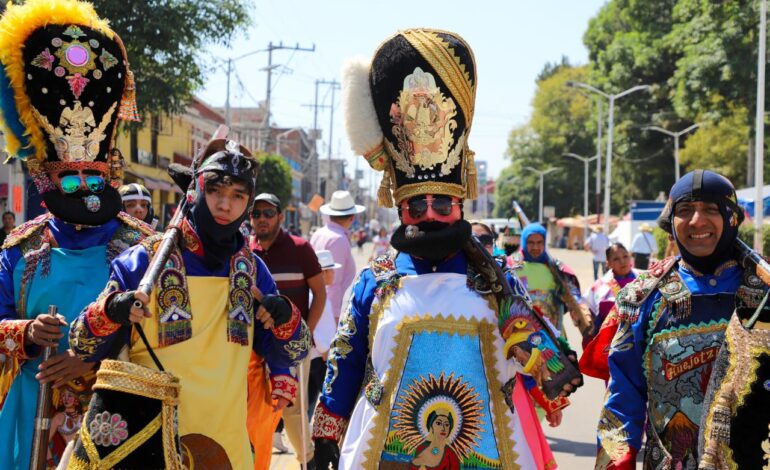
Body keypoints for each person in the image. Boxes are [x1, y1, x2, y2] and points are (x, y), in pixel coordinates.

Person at [311, 28, 581, 470]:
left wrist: (548, 376)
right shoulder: (374, 281)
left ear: (460, 205)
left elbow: (536, 358)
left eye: (443, 203)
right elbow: (344, 367)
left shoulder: (498, 280)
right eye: (418, 203)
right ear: (400, 208)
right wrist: (325, 439)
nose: (430, 213)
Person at [68, 139, 311, 468]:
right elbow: (82, 343)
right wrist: (112, 310)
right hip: (145, 439)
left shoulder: (252, 270)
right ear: (195, 192)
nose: (226, 206)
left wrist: (285, 317)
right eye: (216, 193)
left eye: (238, 196)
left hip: (226, 443)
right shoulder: (143, 262)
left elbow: (292, 350)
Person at [0, 2, 153, 468]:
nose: (86, 190)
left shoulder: (144, 246)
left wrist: (90, 363)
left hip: (114, 413)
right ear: (45, 179)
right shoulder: (19, 249)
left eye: (95, 177)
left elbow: (163, 339)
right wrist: (26, 333)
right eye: (72, 180)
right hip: (31, 410)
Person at [596, 170, 758, 470]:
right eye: (685, 211)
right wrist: (616, 461)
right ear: (671, 223)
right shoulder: (642, 299)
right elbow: (622, 400)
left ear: (732, 218)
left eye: (711, 209)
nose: (697, 221)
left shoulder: (763, 292)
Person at [248, 192, 325, 468]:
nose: (262, 219)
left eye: (269, 213)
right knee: (255, 408)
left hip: (292, 346)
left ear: (281, 216)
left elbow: (320, 293)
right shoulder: (245, 252)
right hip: (255, 350)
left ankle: (308, 461)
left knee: (293, 412)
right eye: (256, 214)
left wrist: (305, 333)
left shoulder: (300, 248)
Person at [516, 222, 593, 344]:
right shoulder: (512, 267)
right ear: (524, 242)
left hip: (553, 334)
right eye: (531, 242)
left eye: (540, 242)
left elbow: (574, 296)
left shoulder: (556, 268)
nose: (535, 247)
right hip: (521, 335)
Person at [578, 243, 639, 382]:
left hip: (641, 345)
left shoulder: (645, 278)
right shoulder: (600, 286)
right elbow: (585, 309)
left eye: (625, 256)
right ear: (609, 263)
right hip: (613, 348)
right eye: (616, 259)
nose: (623, 261)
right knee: (616, 387)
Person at [310, 190, 365, 321]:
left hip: (318, 306)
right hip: (329, 310)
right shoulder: (338, 239)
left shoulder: (319, 233)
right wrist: (334, 315)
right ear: (352, 217)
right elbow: (333, 283)